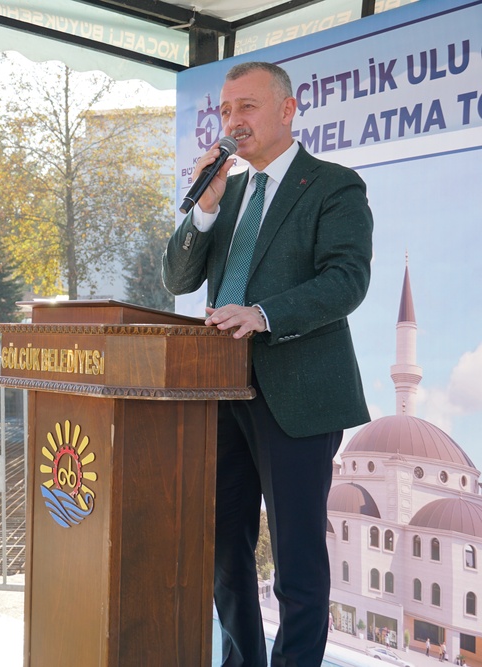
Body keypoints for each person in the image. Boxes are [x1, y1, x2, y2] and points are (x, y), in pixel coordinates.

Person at [162, 61, 373, 667]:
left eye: (247, 107)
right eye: (226, 111)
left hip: (299, 394)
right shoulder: (224, 193)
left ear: (287, 109)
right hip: (219, 391)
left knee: (296, 559)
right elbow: (178, 277)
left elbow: (346, 280)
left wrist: (263, 313)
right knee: (226, 551)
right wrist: (202, 208)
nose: (233, 121)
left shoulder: (332, 185)